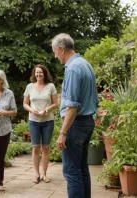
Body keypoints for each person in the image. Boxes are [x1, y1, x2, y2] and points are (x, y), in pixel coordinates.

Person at [51, 33, 99, 198]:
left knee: (72, 172)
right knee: (82, 168)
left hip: (75, 125)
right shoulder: (86, 64)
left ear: (62, 49)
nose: (55, 55)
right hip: (87, 123)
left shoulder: (72, 68)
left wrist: (63, 132)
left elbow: (72, 106)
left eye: (55, 51)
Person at [23, 64, 58, 184]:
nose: (38, 75)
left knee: (46, 148)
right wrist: (32, 110)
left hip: (48, 121)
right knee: (36, 147)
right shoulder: (29, 87)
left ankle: (44, 174)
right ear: (34, 74)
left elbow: (55, 103)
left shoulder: (51, 86)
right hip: (34, 121)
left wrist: (48, 109)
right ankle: (36, 174)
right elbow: (25, 104)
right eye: (36, 73)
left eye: (41, 73)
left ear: (45, 74)